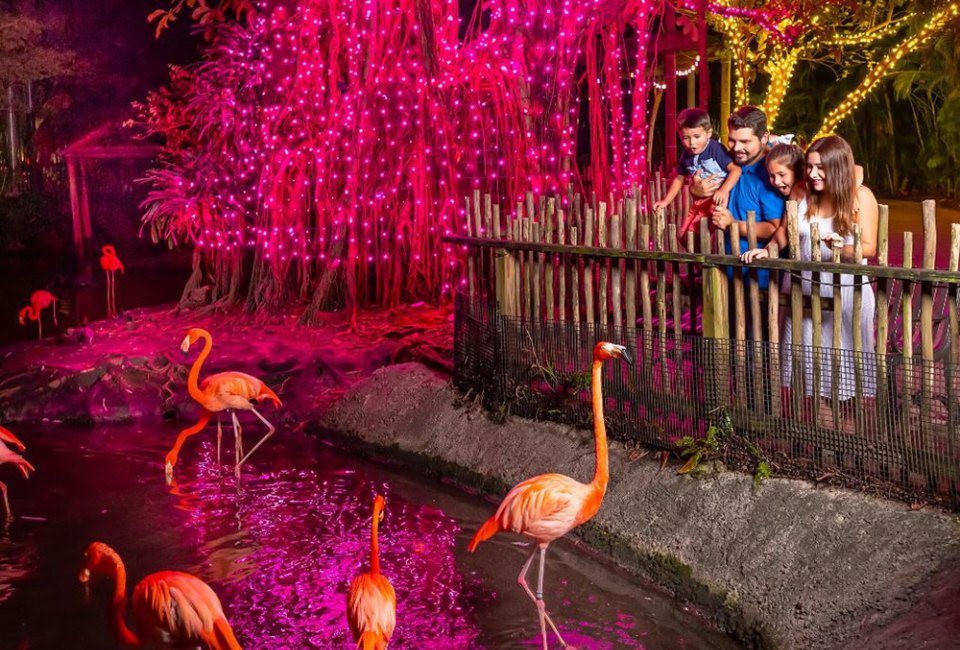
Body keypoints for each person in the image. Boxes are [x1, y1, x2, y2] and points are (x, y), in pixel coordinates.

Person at [741, 136, 879, 401]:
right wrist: (766, 250)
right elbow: (783, 231)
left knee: (845, 383)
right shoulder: (801, 191)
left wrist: (839, 248)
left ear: (837, 167)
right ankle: (821, 439)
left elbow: (870, 248)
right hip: (801, 290)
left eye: (821, 168)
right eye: (810, 167)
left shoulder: (860, 195)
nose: (813, 174)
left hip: (844, 294)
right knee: (810, 381)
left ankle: (845, 439)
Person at [697, 105, 785, 294]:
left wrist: (732, 224)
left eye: (745, 141)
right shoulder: (728, 166)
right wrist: (694, 189)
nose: (736, 148)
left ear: (764, 138)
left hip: (759, 282)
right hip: (726, 275)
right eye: (732, 140)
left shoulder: (770, 175)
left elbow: (776, 228)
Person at [654, 108, 741, 243]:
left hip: (716, 201)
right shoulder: (686, 155)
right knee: (683, 237)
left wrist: (723, 190)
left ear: (708, 133)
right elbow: (679, 179)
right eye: (686, 138)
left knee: (700, 236)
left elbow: (736, 170)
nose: (692, 143)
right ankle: (698, 263)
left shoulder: (715, 149)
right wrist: (665, 202)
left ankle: (707, 261)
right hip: (698, 202)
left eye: (697, 137)